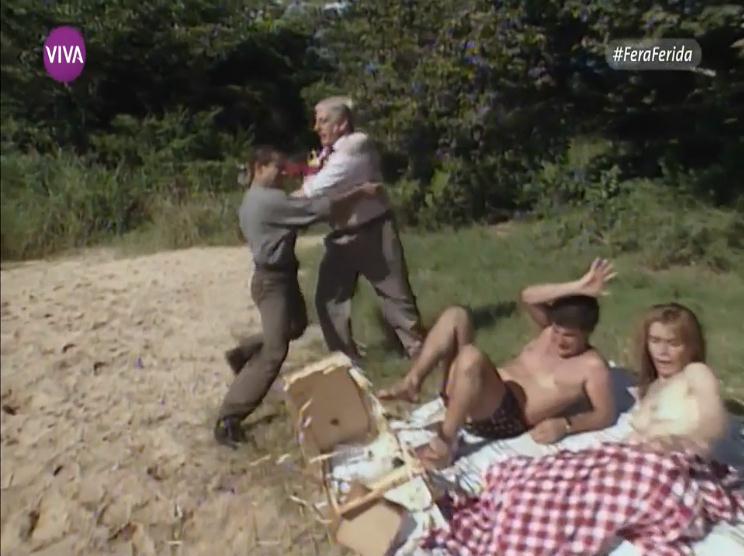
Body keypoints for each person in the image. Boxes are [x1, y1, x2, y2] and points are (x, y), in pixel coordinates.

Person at [215, 146, 384, 447]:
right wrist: (359, 193)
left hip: (280, 277)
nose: (283, 173)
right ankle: (229, 418)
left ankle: (244, 353)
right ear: (259, 168)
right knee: (275, 351)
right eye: (277, 168)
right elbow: (320, 209)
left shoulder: (257, 199)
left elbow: (299, 206)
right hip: (273, 283)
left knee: (296, 326)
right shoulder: (268, 202)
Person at [379, 258, 619, 468]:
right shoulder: (548, 331)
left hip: (503, 419)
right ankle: (412, 382)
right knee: (456, 315)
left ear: (587, 333)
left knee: (471, 357)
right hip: (470, 394)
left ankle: (444, 444)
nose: (559, 340)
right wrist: (578, 287)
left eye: (569, 336)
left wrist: (566, 425)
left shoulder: (592, 367)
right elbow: (527, 296)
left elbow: (605, 414)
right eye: (557, 331)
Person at [291, 96, 425, 361]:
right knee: (329, 299)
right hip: (342, 236)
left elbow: (315, 190)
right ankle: (345, 360)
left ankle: (420, 353)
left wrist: (273, 207)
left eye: (323, 121)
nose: (317, 127)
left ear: (342, 124)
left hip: (372, 231)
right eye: (316, 121)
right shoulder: (330, 153)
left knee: (395, 296)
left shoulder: (354, 147)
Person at [628, 302, 728, 455]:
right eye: (655, 341)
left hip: (680, 461)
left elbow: (713, 424)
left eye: (673, 343)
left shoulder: (696, 373)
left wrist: (673, 440)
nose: (662, 351)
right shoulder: (653, 387)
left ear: (691, 347)